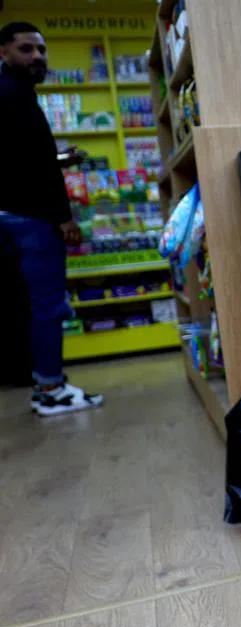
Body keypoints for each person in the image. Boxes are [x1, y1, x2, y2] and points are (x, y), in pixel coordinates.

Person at [0, 21, 102, 414]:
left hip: (11, 214)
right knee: (49, 305)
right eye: (26, 49)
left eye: (41, 50)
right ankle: (50, 389)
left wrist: (59, 158)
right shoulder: (16, 96)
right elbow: (39, 168)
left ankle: (43, 383)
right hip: (32, 219)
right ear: (3, 53)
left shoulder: (11, 93)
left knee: (27, 306)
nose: (37, 56)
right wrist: (64, 217)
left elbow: (18, 160)